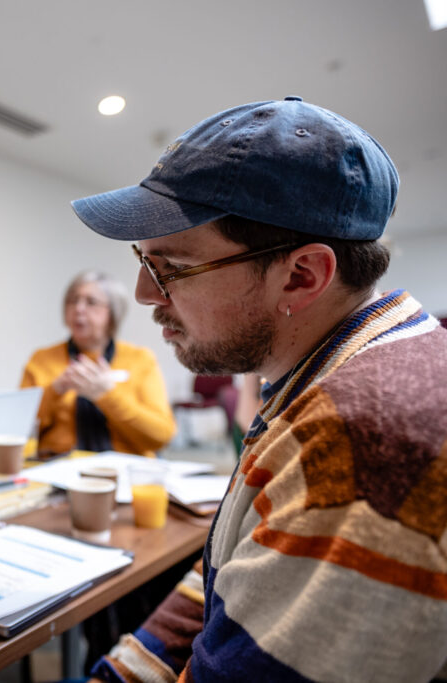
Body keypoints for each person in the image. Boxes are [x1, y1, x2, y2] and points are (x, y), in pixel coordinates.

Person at [70, 97, 447, 681]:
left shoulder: (356, 441)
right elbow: (237, 573)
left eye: (170, 267)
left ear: (301, 275)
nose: (144, 294)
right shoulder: (326, 371)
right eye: (141, 259)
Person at [20, 271, 175, 457]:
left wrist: (106, 395)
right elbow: (18, 426)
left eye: (91, 302)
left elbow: (161, 437)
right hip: (58, 468)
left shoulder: (140, 359)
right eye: (72, 300)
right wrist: (55, 390)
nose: (78, 309)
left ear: (113, 312)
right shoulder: (42, 359)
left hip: (126, 471)